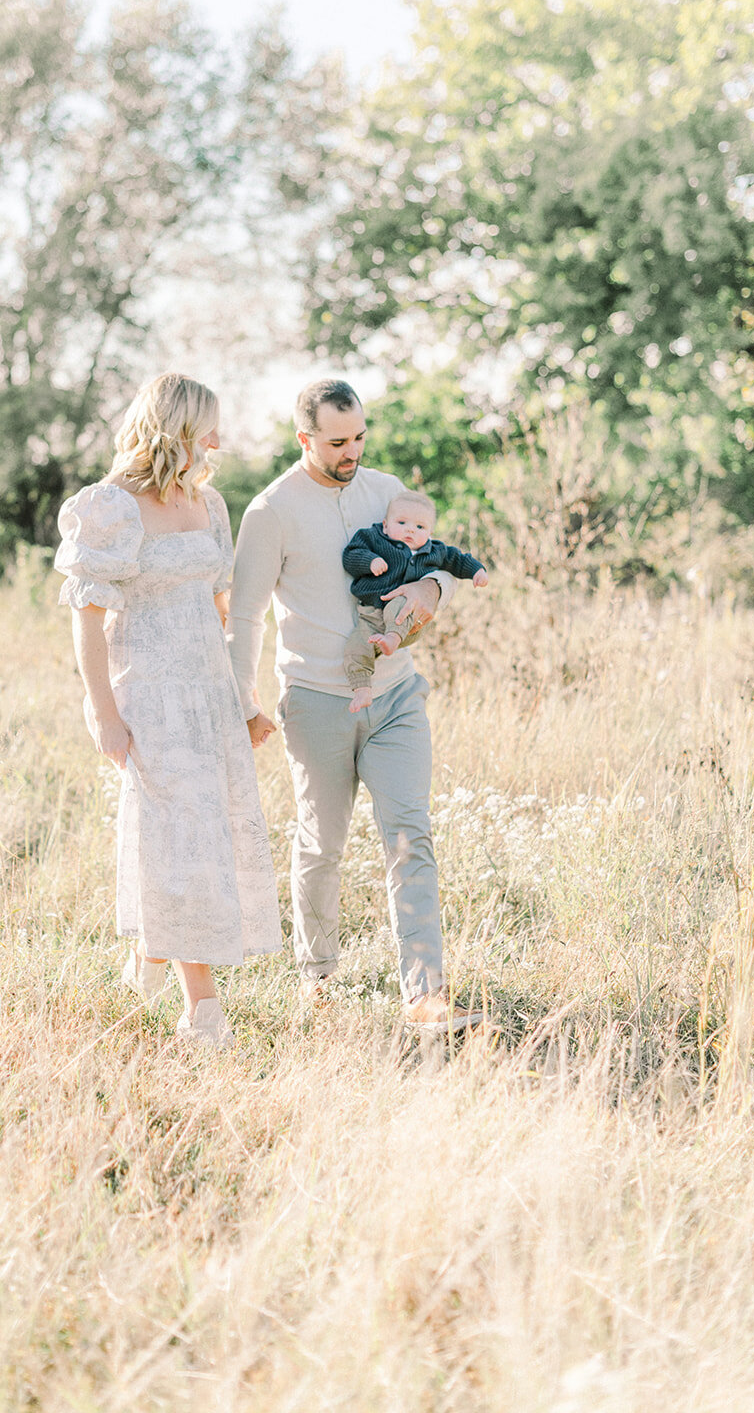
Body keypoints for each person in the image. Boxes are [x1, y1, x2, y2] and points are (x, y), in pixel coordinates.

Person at [226, 378, 481, 1032]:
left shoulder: (384, 490)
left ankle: (425, 994)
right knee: (323, 843)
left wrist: (430, 589)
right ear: (303, 438)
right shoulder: (270, 510)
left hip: (395, 691)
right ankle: (318, 978)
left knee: (409, 836)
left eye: (360, 436)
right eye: (338, 442)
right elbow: (246, 617)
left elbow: (430, 566)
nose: (353, 452)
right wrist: (244, 702)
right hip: (314, 701)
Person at [54, 373, 281, 1050]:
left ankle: (151, 954)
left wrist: (241, 700)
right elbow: (87, 616)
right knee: (180, 841)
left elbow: (219, 610)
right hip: (148, 692)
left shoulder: (208, 503)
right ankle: (202, 1009)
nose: (219, 436)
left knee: (207, 837)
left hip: (207, 695)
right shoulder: (111, 506)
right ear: (178, 426)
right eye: (209, 422)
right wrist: (101, 710)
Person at [343, 488, 488, 713]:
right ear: (385, 525)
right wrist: (370, 561)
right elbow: (351, 555)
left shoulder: (435, 551)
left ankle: (391, 638)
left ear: (430, 532)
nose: (410, 529)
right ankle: (362, 690)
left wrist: (477, 571)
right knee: (355, 647)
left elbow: (458, 560)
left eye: (420, 527)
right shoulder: (372, 539)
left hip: (409, 619)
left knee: (402, 602)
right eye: (402, 523)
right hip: (370, 615)